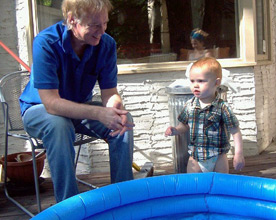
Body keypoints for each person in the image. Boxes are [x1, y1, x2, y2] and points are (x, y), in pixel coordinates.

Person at [19, 0, 134, 203]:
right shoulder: (46, 43)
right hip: (40, 111)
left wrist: (115, 107)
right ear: (73, 20)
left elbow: (110, 92)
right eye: (95, 25)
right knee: (58, 124)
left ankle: (123, 197)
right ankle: (69, 206)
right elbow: (51, 104)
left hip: (79, 111)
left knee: (123, 122)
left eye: (105, 23)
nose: (102, 31)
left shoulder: (106, 44)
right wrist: (99, 113)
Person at [165, 57, 245, 173]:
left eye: (201, 81)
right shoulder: (189, 105)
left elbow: (235, 130)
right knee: (194, 185)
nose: (195, 85)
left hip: (218, 157)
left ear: (216, 82)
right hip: (196, 157)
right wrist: (175, 130)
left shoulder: (222, 107)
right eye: (192, 81)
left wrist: (238, 154)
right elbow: (184, 126)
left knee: (219, 185)